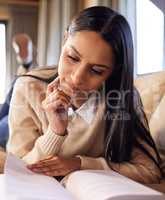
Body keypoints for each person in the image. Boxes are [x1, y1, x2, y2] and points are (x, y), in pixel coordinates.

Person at [7, 6, 162, 185]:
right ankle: (26, 64)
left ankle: (27, 63)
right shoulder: (27, 87)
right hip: (24, 98)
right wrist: (55, 131)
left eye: (96, 70)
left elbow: (150, 171)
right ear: (65, 40)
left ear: (113, 71)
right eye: (72, 58)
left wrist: (80, 164)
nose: (76, 78)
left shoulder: (123, 98)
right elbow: (18, 170)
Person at [0, 33, 37, 148]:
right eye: (18, 52)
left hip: (18, 112)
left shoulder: (33, 76)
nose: (20, 54)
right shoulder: (22, 73)